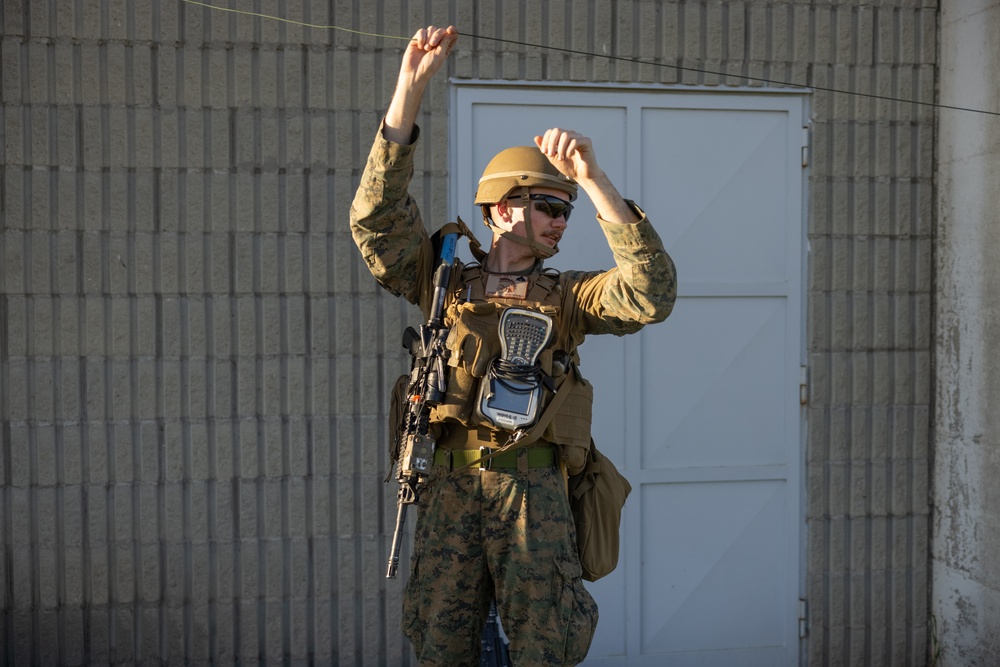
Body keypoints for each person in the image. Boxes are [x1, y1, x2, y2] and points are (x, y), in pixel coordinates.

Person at [350, 25, 677, 666]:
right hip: (448, 492)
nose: (561, 218)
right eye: (547, 204)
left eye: (567, 209)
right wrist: (407, 97)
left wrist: (593, 176)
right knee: (442, 648)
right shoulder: (443, 280)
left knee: (543, 651)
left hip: (535, 499)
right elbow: (376, 221)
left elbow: (648, 293)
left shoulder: (568, 298)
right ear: (501, 210)